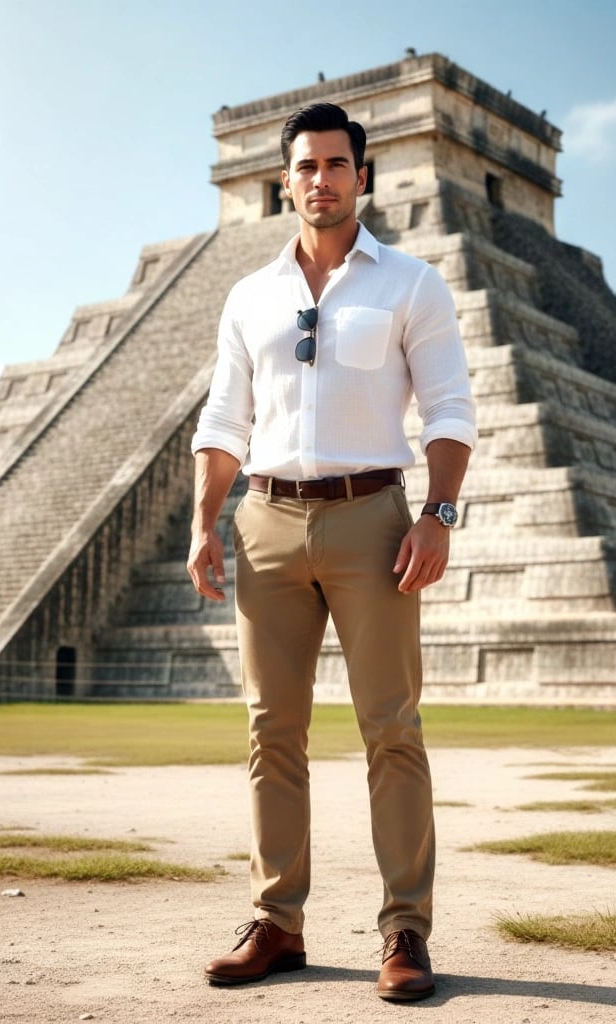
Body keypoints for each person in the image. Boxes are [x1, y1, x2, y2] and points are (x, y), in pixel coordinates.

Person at [187, 101, 476, 1002]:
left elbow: (452, 410)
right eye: (306, 166)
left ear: (364, 175)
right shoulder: (249, 295)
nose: (321, 180)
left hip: (373, 522)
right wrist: (204, 520)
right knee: (271, 731)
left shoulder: (412, 283)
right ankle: (278, 922)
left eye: (337, 165)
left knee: (390, 729)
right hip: (266, 520)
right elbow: (225, 419)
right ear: (286, 180)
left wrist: (439, 514)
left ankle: (406, 930)